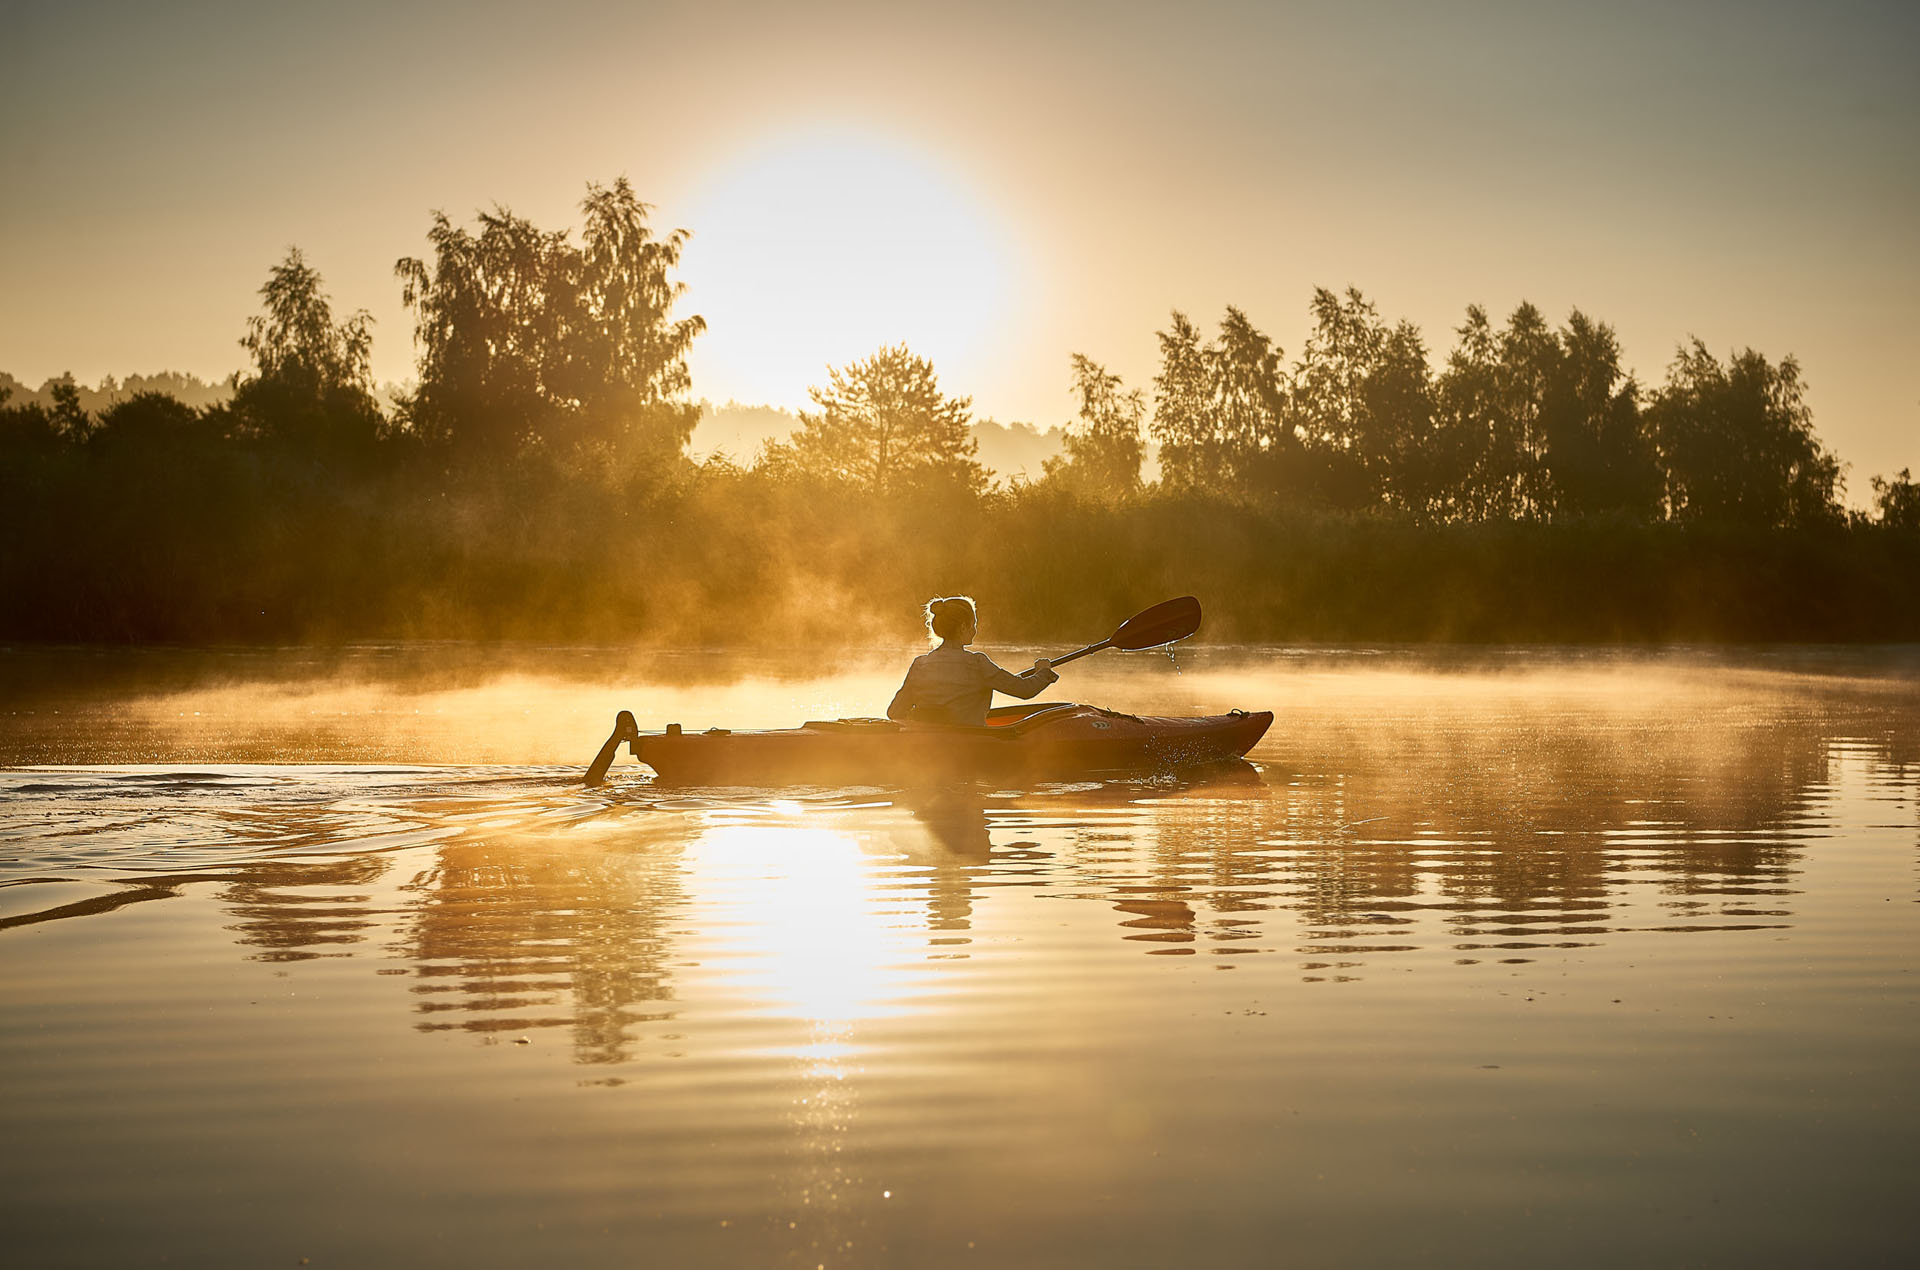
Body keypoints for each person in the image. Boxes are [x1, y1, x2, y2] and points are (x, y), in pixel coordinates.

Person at [887, 596, 1059, 726]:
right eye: (973, 624)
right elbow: (1024, 690)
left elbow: (894, 712)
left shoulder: (920, 664)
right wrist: (1043, 672)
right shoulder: (977, 664)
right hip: (966, 743)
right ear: (963, 627)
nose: (975, 629)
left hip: (927, 747)